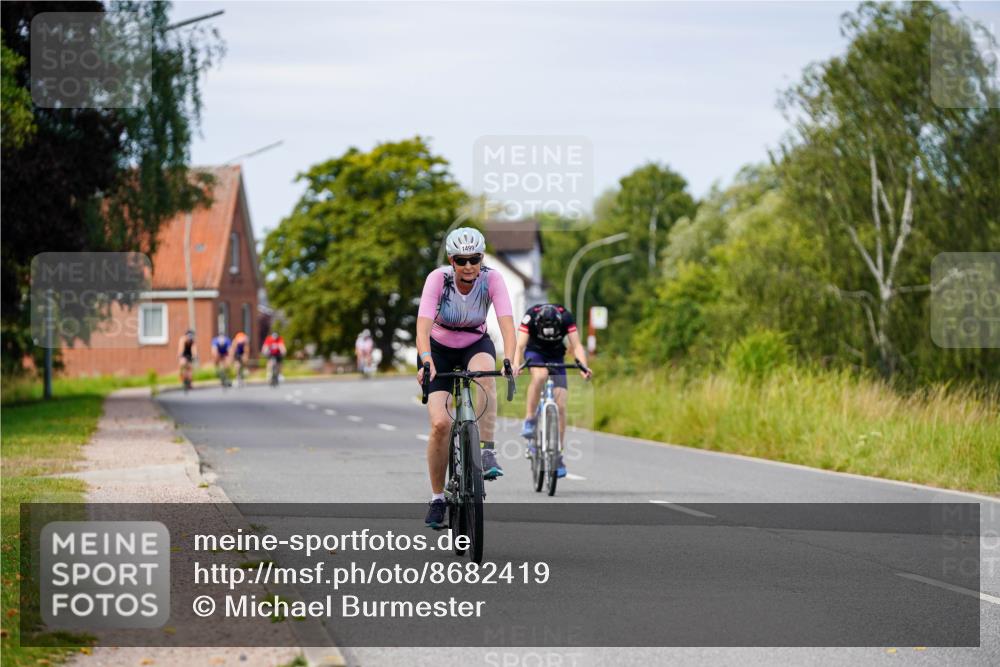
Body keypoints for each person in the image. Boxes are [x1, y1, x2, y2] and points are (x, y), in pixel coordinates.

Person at [416, 227, 518, 528]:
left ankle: (487, 452)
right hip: (438, 347)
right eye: (462, 260)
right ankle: (437, 498)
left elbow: (507, 325)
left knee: (487, 378)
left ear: (482, 258)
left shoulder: (492, 279)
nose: (469, 266)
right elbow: (422, 327)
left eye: (474, 259)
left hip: (475, 342)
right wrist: (425, 359)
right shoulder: (438, 279)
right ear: (452, 260)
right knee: (440, 424)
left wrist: (510, 357)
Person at [514, 303, 592, 478]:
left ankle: (557, 454)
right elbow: (519, 346)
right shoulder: (531, 317)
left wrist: (583, 367)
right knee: (540, 376)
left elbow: (577, 345)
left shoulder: (565, 317)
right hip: (535, 353)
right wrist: (516, 364)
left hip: (556, 355)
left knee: (561, 405)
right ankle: (530, 418)